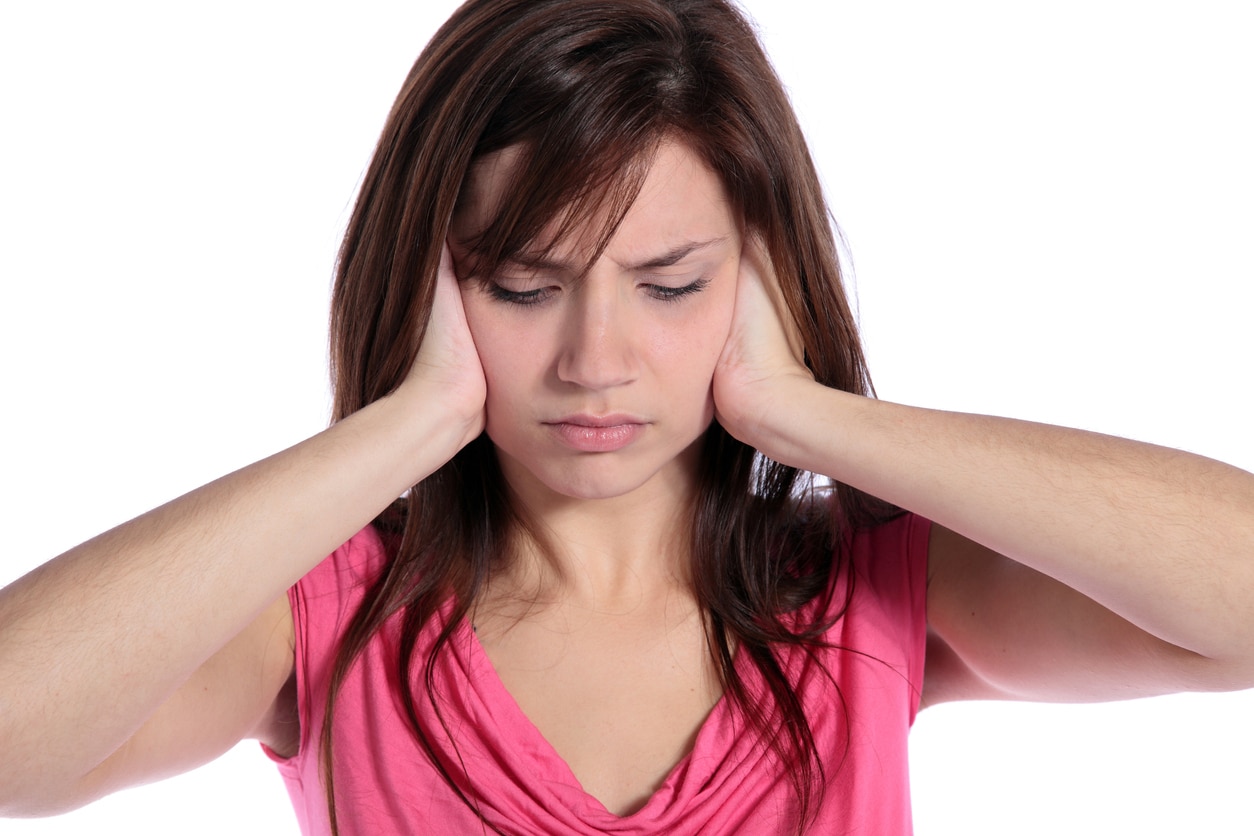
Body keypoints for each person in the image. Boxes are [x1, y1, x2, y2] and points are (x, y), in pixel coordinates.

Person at [2, 1, 1252, 834]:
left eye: (670, 285)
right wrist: (405, 421)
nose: (595, 358)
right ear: (433, 281)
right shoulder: (325, 620)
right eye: (524, 286)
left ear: (761, 278)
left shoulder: (865, 592)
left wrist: (800, 412)